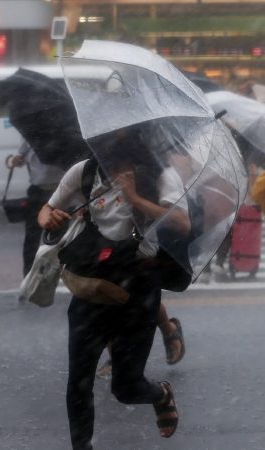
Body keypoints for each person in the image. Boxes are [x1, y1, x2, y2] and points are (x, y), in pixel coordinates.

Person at [38, 132, 185, 449]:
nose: (107, 146)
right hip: (93, 283)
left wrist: (135, 199)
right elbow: (47, 209)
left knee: (126, 387)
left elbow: (182, 223)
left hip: (139, 286)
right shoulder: (85, 171)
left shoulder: (160, 174)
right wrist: (50, 218)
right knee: (79, 378)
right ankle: (82, 445)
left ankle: (159, 393)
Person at [7, 140, 65, 276]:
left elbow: (16, 160)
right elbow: (16, 160)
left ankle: (40, 274)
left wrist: (13, 161)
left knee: (50, 237)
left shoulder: (34, 134)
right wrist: (13, 160)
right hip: (48, 193)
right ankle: (32, 274)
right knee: (42, 237)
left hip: (55, 192)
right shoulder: (62, 138)